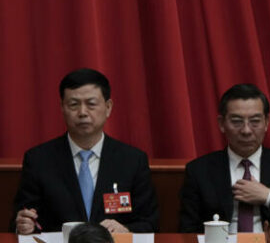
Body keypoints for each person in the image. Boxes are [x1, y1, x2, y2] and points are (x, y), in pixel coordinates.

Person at [11, 68, 159, 234]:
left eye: (91, 104)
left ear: (108, 107)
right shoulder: (38, 160)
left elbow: (149, 223)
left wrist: (125, 230)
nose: (82, 113)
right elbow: (24, 218)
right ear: (62, 108)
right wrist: (24, 225)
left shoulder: (132, 160)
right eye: (74, 105)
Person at [179, 84, 270, 233]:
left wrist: (268, 197)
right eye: (236, 121)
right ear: (222, 124)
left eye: (255, 121)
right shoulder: (199, 170)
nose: (246, 130)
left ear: (266, 122)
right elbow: (187, 229)